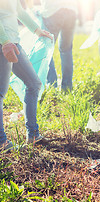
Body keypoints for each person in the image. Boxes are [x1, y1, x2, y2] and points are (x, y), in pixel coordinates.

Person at [0, 0, 53, 150]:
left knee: (33, 84)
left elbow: (19, 12)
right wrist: (4, 42)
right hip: (4, 45)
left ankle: (33, 135)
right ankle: (1, 142)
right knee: (0, 93)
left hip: (14, 44)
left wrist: (37, 30)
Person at [40, 0, 78, 91]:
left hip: (52, 11)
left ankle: (52, 85)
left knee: (47, 49)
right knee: (66, 50)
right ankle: (67, 87)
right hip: (71, 10)